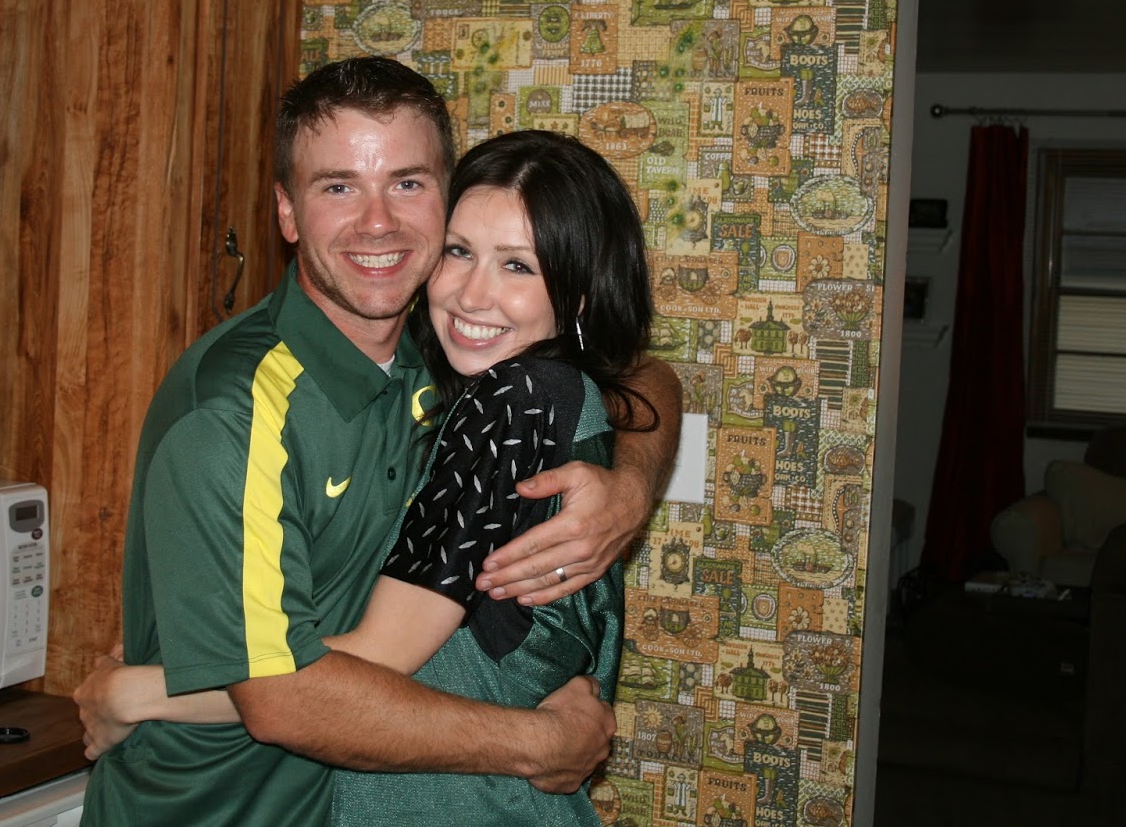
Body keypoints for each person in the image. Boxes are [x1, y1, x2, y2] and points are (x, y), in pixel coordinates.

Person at [77, 58, 681, 827]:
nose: (377, 223)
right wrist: (539, 741)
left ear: (443, 197)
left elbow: (636, 374)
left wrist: (630, 488)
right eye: (338, 187)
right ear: (287, 212)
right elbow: (282, 697)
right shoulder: (236, 411)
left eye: (407, 183)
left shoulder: (458, 364)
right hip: (215, 808)